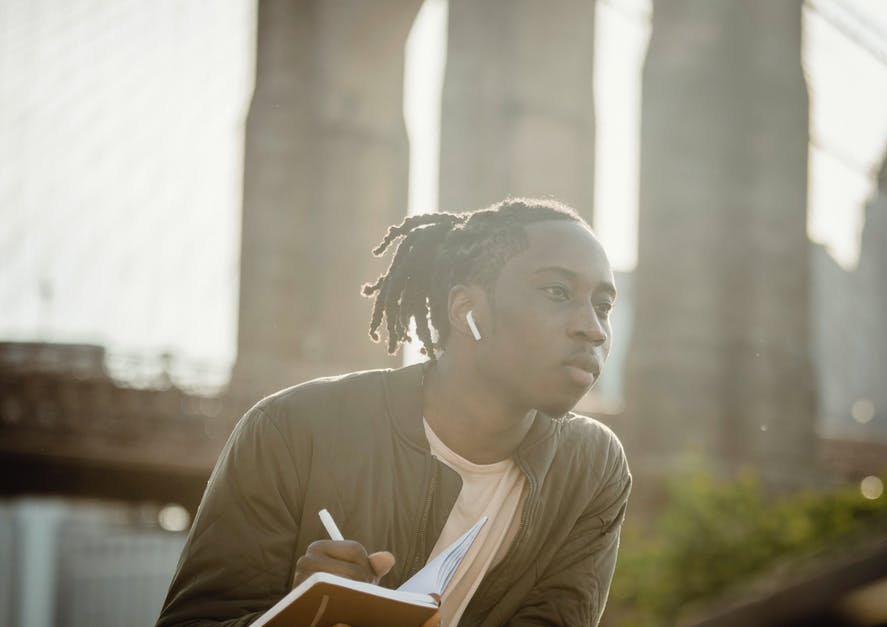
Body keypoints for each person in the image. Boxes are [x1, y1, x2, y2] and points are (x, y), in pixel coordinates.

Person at [157, 198, 631, 627]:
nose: (593, 329)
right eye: (557, 292)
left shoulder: (592, 468)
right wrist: (300, 620)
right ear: (468, 311)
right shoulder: (291, 430)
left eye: (604, 305)